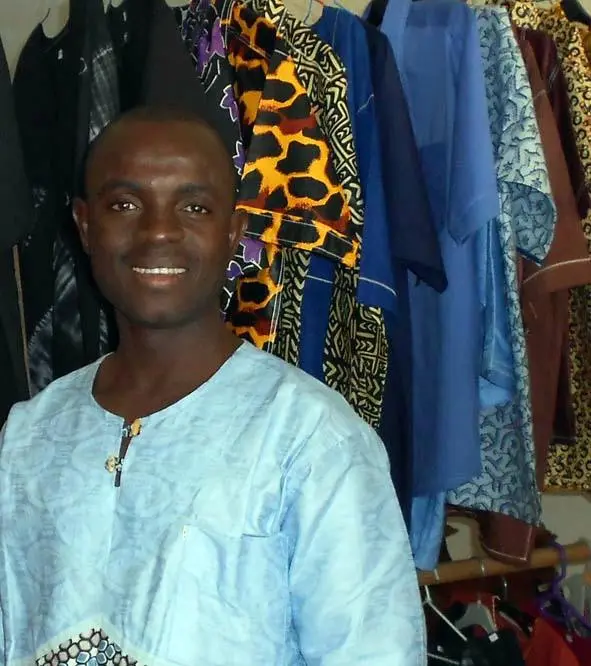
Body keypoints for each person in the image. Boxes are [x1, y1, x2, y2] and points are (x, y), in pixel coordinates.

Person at [0, 106, 425, 665]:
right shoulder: (31, 434)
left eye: (194, 207)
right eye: (125, 204)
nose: (158, 230)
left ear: (233, 233)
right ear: (84, 226)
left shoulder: (309, 440)